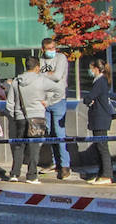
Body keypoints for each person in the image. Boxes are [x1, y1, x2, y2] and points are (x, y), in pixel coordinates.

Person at [4, 57, 50, 183]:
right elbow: (53, 94)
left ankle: (14, 173)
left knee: (19, 146)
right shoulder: (42, 80)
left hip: (20, 117)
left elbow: (10, 103)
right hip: (37, 117)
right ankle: (32, 175)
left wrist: (15, 115)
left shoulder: (16, 81)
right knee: (35, 147)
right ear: (37, 67)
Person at [39, 37, 73, 180]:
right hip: (44, 101)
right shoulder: (41, 60)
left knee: (59, 133)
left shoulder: (61, 58)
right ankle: (55, 162)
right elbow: (37, 77)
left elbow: (58, 76)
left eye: (53, 48)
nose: (52, 51)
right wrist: (48, 75)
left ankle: (65, 165)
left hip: (58, 99)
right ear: (43, 49)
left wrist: (44, 75)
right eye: (49, 49)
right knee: (49, 132)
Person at [82, 59, 116, 185]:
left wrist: (87, 100)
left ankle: (107, 174)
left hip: (100, 118)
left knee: (102, 147)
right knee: (99, 146)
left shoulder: (100, 81)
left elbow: (90, 97)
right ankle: (101, 174)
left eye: (91, 68)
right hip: (99, 117)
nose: (90, 71)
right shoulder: (101, 81)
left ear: (96, 68)